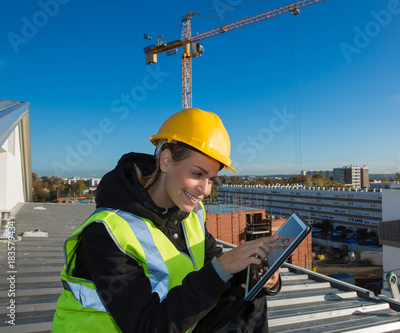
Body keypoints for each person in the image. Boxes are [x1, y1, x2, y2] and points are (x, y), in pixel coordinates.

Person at [52, 108, 281, 332]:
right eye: (197, 174)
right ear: (166, 161)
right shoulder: (106, 233)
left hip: (170, 321)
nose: (205, 190)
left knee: (251, 300)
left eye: (211, 179)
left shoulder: (190, 214)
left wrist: (260, 277)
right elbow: (146, 325)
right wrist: (222, 268)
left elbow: (217, 269)